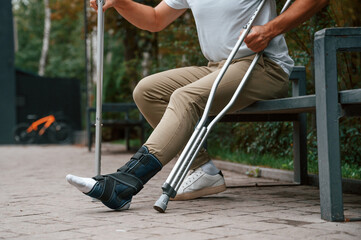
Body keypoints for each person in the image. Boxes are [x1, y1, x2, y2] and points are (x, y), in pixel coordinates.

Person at [66, 0, 329, 210]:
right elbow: (156, 20)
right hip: (217, 68)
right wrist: (121, 2)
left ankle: (124, 183)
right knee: (147, 90)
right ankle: (202, 169)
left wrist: (270, 30)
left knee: (184, 96)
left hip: (262, 66)